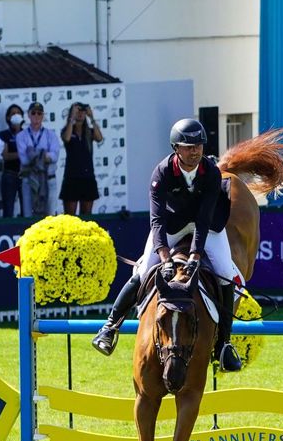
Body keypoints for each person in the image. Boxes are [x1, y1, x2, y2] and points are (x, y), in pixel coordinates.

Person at [91, 118, 243, 372]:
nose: (195, 151)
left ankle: (225, 345)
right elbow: (157, 220)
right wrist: (164, 257)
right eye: (188, 146)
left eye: (199, 145)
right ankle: (109, 327)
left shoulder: (211, 173)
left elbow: (204, 218)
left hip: (205, 226)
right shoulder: (161, 173)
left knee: (227, 274)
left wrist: (195, 255)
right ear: (176, 148)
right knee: (141, 272)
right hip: (171, 225)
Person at [60, 102, 104, 216]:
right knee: (70, 217)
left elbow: (99, 138)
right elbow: (67, 138)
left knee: (87, 215)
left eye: (82, 111)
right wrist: (72, 118)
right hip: (72, 176)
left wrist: (92, 117)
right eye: (78, 111)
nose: (80, 114)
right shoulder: (68, 129)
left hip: (87, 176)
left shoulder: (89, 131)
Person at [17, 102, 59, 218]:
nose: (36, 116)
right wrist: (43, 154)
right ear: (29, 115)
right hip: (29, 179)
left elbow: (55, 156)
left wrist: (33, 153)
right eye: (33, 113)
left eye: (39, 113)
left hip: (49, 179)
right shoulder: (21, 136)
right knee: (28, 216)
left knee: (50, 216)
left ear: (43, 116)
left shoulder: (51, 135)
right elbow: (24, 160)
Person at [0, 104, 25, 218]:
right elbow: (5, 155)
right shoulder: (3, 135)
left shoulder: (27, 134)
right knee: (8, 210)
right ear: (8, 118)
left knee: (27, 211)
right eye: (13, 113)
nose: (16, 115)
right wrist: (22, 154)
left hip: (25, 176)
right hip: (9, 175)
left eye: (18, 113)